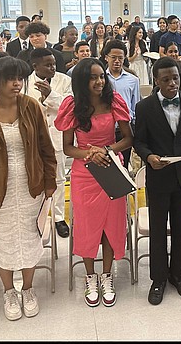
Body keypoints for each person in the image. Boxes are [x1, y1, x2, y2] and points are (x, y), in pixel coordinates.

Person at [0, 56, 57, 321]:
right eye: (11, 79)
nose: (17, 83)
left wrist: (50, 182)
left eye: (20, 78)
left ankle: (28, 289)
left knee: (30, 238)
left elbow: (46, 149)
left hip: (31, 187)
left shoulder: (30, 106)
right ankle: (9, 291)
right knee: (3, 240)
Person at [54, 57, 133, 307]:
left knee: (112, 224)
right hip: (84, 173)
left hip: (111, 168)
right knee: (87, 227)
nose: (100, 81)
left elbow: (128, 139)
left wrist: (107, 150)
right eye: (93, 77)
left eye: (102, 76)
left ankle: (107, 275)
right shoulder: (72, 105)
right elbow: (68, 148)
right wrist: (90, 152)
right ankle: (90, 277)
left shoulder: (114, 101)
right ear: (82, 80)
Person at [133, 57, 181, 305]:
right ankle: (158, 278)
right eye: (166, 80)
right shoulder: (144, 107)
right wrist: (149, 156)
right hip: (158, 175)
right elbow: (139, 141)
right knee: (157, 229)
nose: (172, 83)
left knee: (180, 227)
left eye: (175, 78)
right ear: (156, 81)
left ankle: (179, 274)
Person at [26, 48, 74, 239]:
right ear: (35, 66)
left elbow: (71, 106)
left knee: (59, 178)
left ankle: (59, 218)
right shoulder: (24, 83)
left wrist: (51, 95)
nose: (52, 68)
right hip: (33, 138)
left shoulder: (64, 81)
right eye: (47, 65)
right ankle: (37, 216)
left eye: (54, 64)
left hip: (57, 136)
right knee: (34, 178)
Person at [102, 39, 140, 167]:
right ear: (106, 57)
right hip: (105, 128)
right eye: (113, 57)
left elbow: (135, 105)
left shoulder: (133, 80)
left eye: (120, 58)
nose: (117, 61)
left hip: (125, 129)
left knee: (123, 165)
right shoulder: (101, 78)